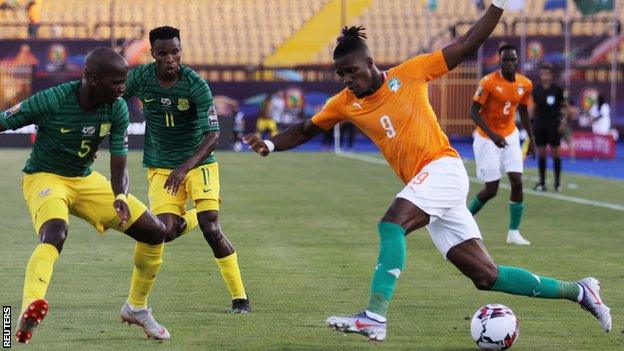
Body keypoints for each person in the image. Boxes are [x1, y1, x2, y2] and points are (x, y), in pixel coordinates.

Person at [242, 1, 611, 342]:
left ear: (370, 62)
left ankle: (375, 315)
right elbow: (308, 128)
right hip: (428, 183)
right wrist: (271, 144)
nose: (347, 80)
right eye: (341, 75)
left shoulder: (412, 73)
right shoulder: (346, 102)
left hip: (442, 168)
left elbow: (466, 44)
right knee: (486, 276)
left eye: (351, 71)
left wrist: (498, 5)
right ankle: (580, 290)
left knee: (391, 223)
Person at [1, 47, 174, 343]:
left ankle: (136, 307)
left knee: (155, 232)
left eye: (124, 82)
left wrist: (120, 196)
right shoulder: (52, 100)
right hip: (45, 177)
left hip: (85, 180)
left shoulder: (116, 108)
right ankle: (29, 306)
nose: (123, 88)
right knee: (55, 232)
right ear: (93, 79)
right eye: (116, 82)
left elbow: (118, 165)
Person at [122, 26, 250, 313]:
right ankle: (194, 214)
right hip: (159, 165)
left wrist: (183, 168)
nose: (170, 58)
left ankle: (240, 298)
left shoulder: (195, 84)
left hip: (198, 163)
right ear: (153, 54)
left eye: (175, 51)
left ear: (181, 51)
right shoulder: (141, 77)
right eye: (163, 53)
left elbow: (213, 136)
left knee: (211, 228)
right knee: (165, 232)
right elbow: (116, 95)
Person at [467, 43, 535, 245]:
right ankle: (465, 220)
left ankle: (513, 232)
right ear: (500, 61)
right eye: (506, 60)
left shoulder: (525, 84)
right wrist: (492, 134)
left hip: (510, 135)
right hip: (487, 139)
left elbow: (523, 111)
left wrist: (531, 139)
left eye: (513, 59)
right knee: (491, 189)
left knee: (517, 180)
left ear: (517, 61)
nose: (510, 63)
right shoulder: (488, 82)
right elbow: (473, 111)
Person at [532, 63, 566, 192]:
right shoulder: (537, 90)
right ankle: (542, 183)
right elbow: (534, 109)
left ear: (551, 75)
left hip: (554, 125)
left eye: (546, 73)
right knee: (541, 153)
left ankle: (557, 183)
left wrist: (563, 123)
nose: (544, 76)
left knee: (556, 153)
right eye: (542, 73)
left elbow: (565, 107)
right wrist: (532, 123)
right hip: (540, 124)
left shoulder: (557, 90)